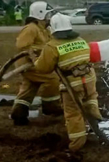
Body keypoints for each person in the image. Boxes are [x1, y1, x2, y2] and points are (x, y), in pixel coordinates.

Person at [33, 13, 102, 151]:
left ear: (52, 29)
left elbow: (43, 68)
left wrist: (36, 60)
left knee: (73, 113)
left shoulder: (52, 46)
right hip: (89, 79)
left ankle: (77, 144)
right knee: (90, 97)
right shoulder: (81, 40)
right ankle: (93, 112)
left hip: (72, 84)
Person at [11, 1, 63, 126]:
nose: (49, 18)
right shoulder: (31, 28)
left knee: (30, 86)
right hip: (30, 65)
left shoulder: (43, 29)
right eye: (47, 15)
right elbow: (22, 45)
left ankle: (19, 114)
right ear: (40, 15)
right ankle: (50, 106)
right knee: (52, 79)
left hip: (36, 64)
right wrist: (35, 55)